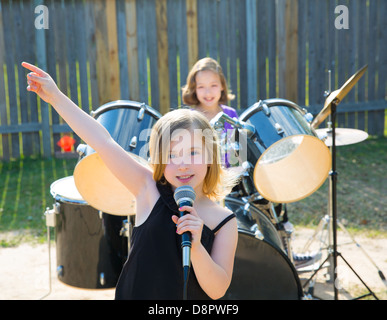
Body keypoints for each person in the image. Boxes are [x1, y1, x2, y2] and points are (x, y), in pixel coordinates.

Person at [22, 61, 239, 300]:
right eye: (171, 155)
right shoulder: (148, 189)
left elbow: (217, 290)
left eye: (193, 152)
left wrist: (196, 247)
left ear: (210, 156)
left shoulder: (224, 222)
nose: (183, 163)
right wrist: (55, 96)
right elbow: (103, 142)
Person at [182, 57, 238, 168]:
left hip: (230, 178)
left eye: (213, 85)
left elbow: (237, 155)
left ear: (222, 85)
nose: (208, 92)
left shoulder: (231, 114)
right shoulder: (190, 118)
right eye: (201, 86)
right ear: (194, 89)